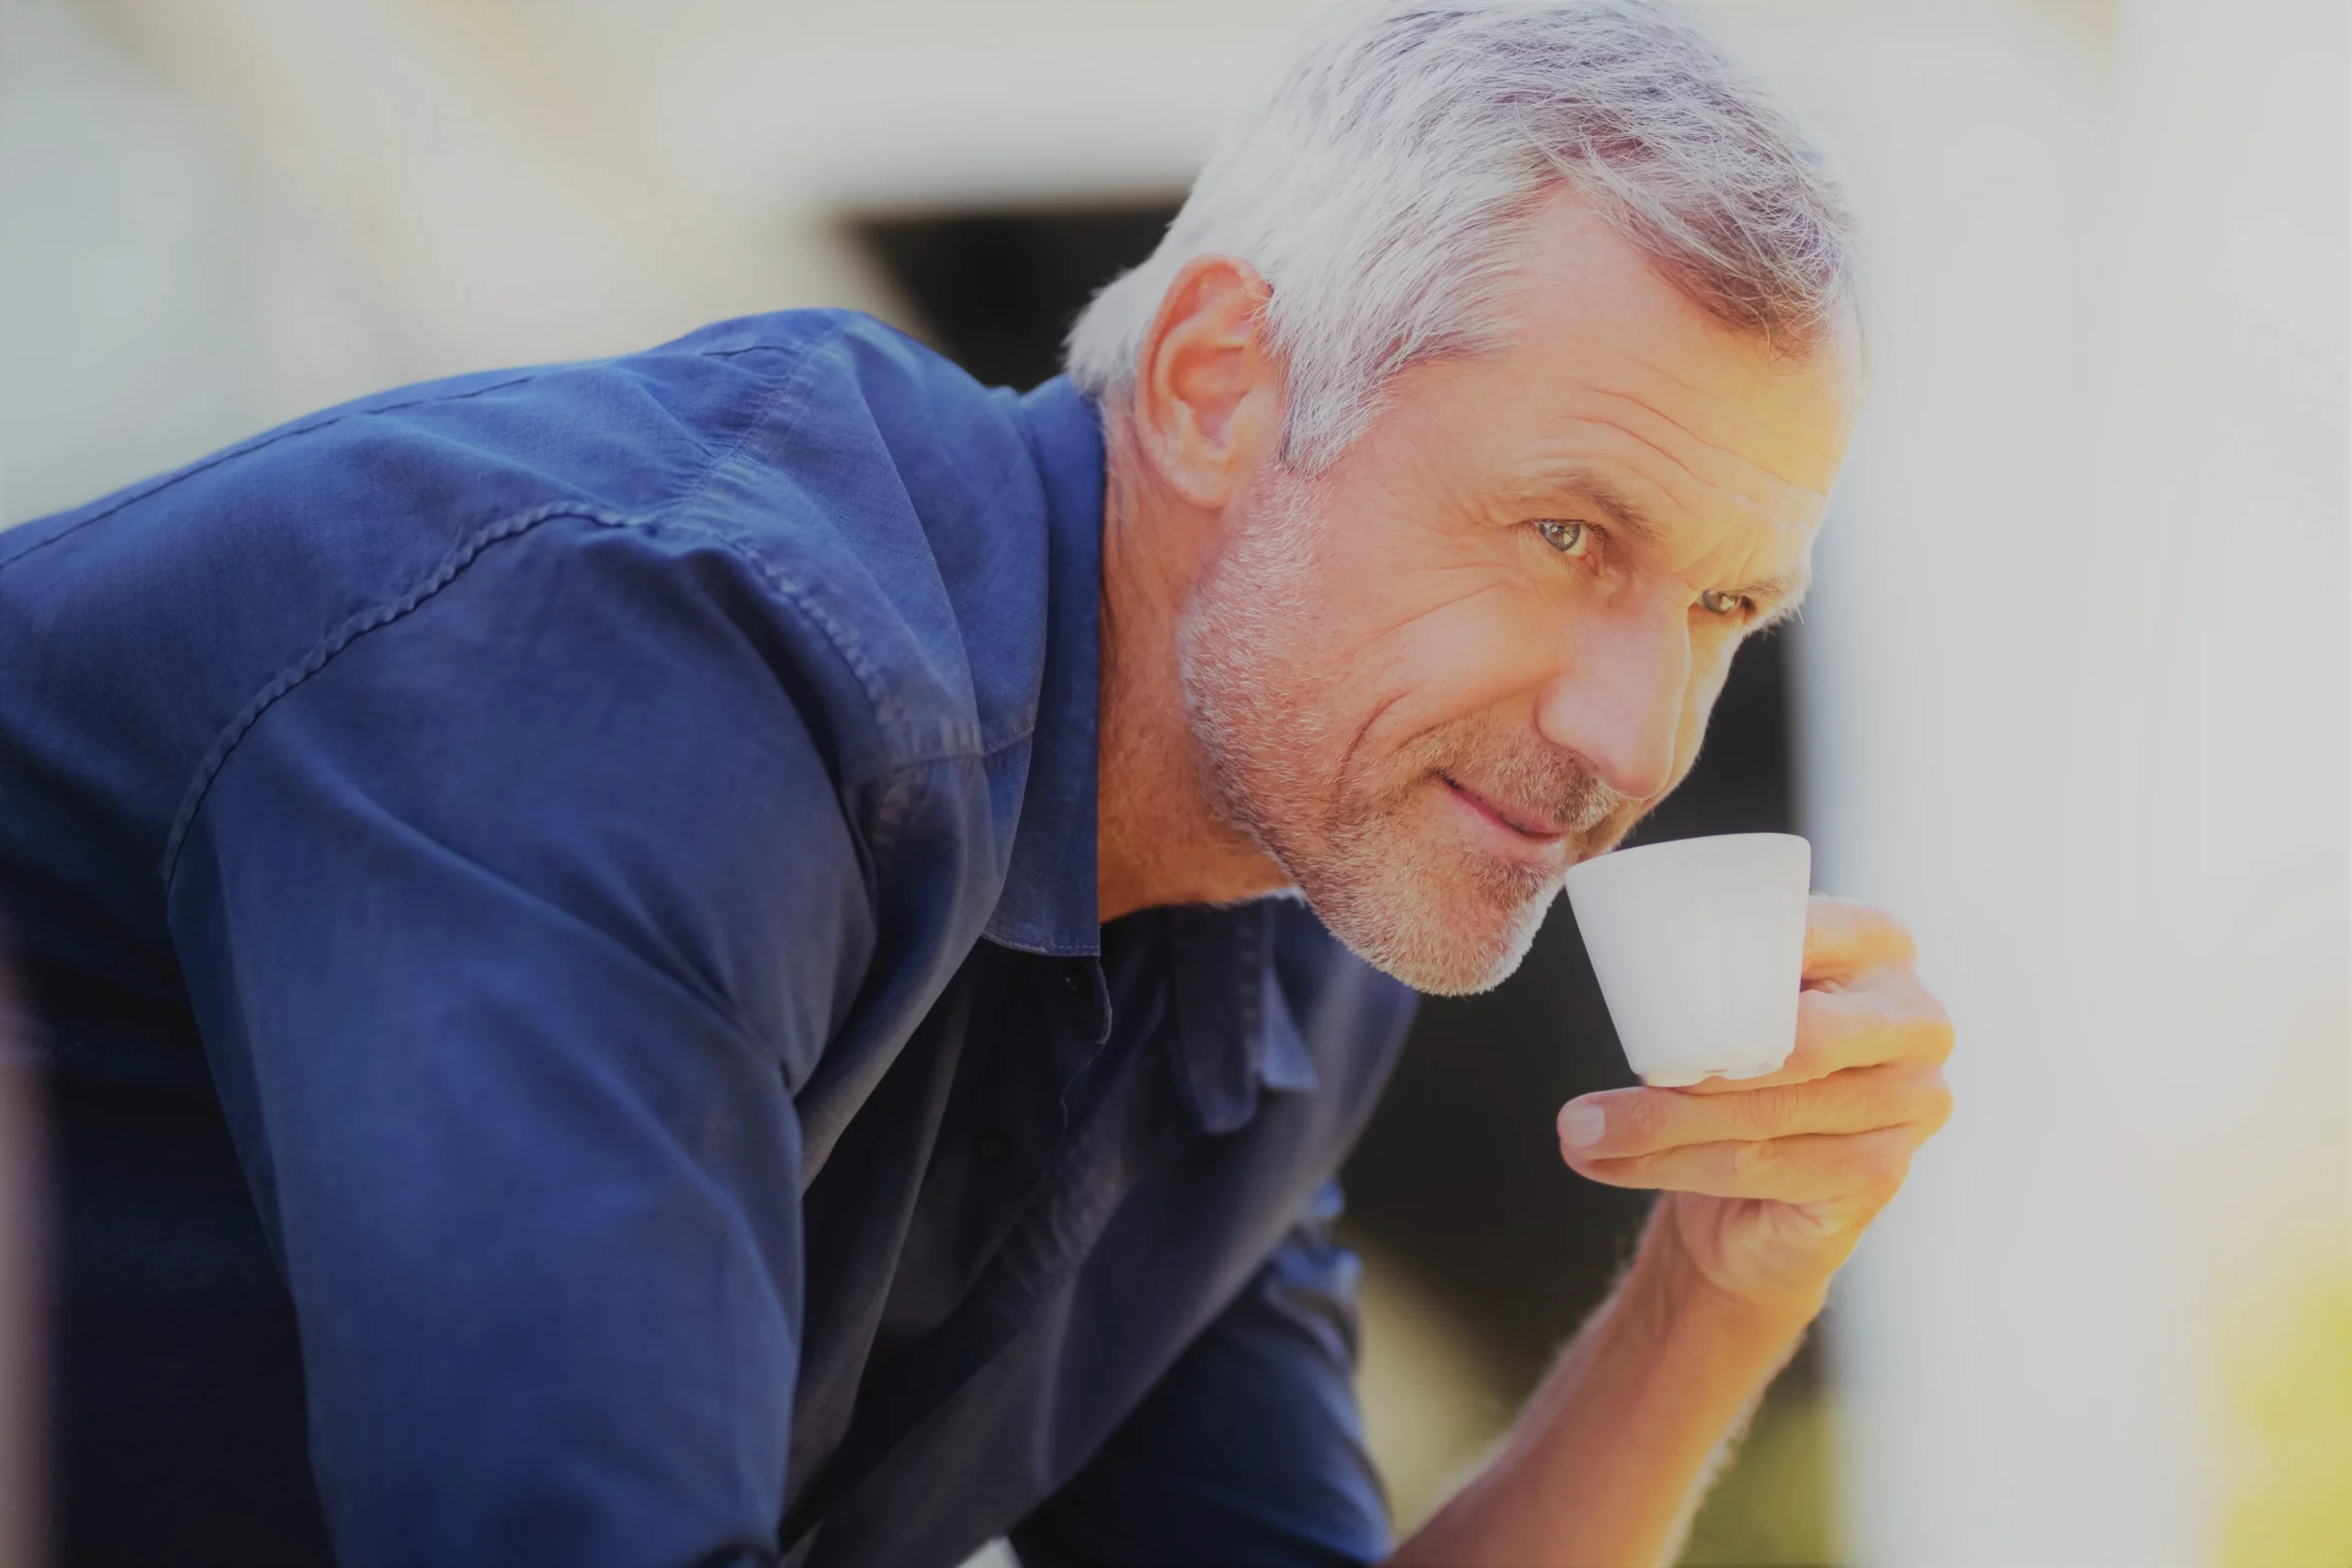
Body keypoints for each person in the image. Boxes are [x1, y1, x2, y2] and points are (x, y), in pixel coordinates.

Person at [0, 1, 1954, 1563]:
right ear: (1213, 387)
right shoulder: (651, 664)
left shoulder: (1276, 926)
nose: (1635, 736)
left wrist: (1713, 1290)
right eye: (1562, 535)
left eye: (1719, 603)